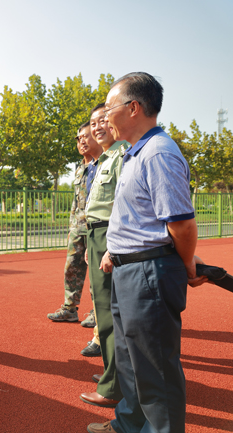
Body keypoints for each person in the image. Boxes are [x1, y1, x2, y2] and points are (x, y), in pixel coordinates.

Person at [87, 72, 208, 433]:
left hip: (148, 273)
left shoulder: (158, 153)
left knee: (155, 369)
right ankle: (128, 424)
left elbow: (181, 224)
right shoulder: (134, 153)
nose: (105, 116)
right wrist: (114, 251)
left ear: (133, 108)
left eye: (110, 107)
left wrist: (186, 263)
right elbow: (138, 218)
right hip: (128, 270)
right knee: (130, 361)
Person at [79, 103, 129, 409]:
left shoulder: (122, 155)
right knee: (104, 310)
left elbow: (124, 204)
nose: (97, 127)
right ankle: (113, 373)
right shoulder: (106, 157)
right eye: (93, 122)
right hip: (97, 234)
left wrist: (111, 245)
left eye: (103, 120)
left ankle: (113, 387)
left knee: (109, 314)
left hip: (110, 235)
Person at [47, 122, 102, 323]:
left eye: (86, 137)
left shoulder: (103, 165)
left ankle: (98, 311)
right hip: (78, 227)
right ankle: (69, 308)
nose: (81, 142)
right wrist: (71, 227)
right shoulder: (80, 168)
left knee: (96, 270)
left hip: (96, 227)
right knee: (72, 267)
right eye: (79, 139)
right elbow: (75, 201)